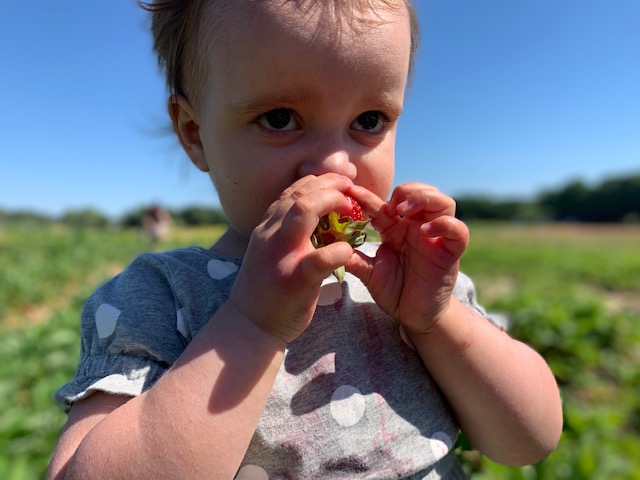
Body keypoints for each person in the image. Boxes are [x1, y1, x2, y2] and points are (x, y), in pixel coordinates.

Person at [48, 1, 563, 478]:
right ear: (195, 133)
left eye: (369, 121)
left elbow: (529, 440)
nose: (336, 164)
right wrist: (251, 325)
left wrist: (437, 319)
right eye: (278, 119)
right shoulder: (160, 298)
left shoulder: (416, 286)